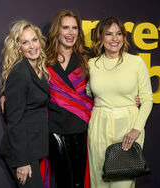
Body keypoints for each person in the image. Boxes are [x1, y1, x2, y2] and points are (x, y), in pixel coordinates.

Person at [87, 17, 153, 188]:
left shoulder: (136, 62)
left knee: (122, 183)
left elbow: (147, 99)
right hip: (98, 127)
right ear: (101, 37)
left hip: (128, 127)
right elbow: (85, 93)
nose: (114, 39)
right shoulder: (91, 64)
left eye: (118, 34)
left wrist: (136, 129)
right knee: (99, 181)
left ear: (123, 37)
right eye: (109, 34)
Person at [45, 10, 93, 188]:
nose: (70, 32)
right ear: (57, 30)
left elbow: (106, 86)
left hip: (80, 128)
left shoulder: (87, 58)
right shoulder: (44, 58)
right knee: (63, 182)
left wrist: (129, 99)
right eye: (66, 27)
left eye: (74, 28)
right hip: (54, 130)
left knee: (78, 183)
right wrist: (6, 94)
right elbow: (26, 81)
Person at [0, 20, 50, 188]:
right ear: (18, 47)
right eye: (25, 42)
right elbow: (15, 120)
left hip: (33, 147)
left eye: (34, 40)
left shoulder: (38, 69)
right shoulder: (20, 72)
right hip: (22, 152)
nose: (32, 46)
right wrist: (22, 161)